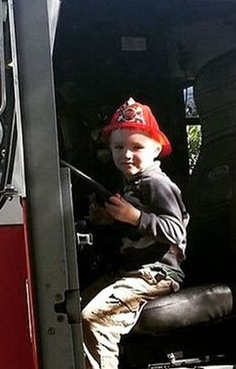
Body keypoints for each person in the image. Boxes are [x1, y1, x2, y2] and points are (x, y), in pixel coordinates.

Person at [82, 97, 189, 369]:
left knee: (95, 319)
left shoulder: (157, 183)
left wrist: (135, 216)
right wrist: (108, 221)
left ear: (156, 149)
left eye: (136, 147)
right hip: (132, 271)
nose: (126, 154)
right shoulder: (132, 183)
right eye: (118, 147)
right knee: (74, 307)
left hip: (157, 274)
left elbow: (175, 230)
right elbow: (134, 231)